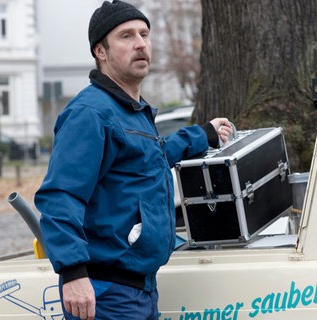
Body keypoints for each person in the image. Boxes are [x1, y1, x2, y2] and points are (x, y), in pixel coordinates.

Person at [34, 1, 233, 319]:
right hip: (106, 294)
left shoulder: (132, 111)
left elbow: (147, 160)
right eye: (126, 36)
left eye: (144, 34)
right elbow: (60, 196)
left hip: (139, 291)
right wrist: (72, 273)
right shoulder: (91, 113)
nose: (140, 43)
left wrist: (202, 136)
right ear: (101, 51)